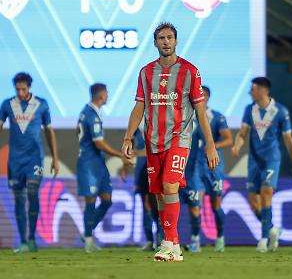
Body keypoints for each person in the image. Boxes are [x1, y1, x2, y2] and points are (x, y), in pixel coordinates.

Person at [122, 22, 219, 262]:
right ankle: (174, 245)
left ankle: (166, 242)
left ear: (176, 41)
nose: (166, 41)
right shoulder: (145, 72)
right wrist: (127, 136)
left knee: (169, 186)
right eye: (161, 38)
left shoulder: (190, 71)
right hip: (153, 140)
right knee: (159, 195)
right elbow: (140, 106)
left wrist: (210, 143)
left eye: (170, 37)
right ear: (155, 43)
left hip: (179, 138)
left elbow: (200, 109)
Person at [0, 72, 60, 253]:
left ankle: (32, 237)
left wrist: (55, 158)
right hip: (15, 160)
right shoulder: (7, 105)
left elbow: (50, 132)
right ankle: (23, 242)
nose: (20, 92)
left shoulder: (41, 104)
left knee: (33, 193)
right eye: (17, 89)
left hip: (35, 158)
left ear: (29, 87)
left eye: (23, 89)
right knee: (19, 199)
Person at [232, 77, 292, 253]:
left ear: (263, 90)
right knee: (254, 204)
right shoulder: (249, 110)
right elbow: (242, 133)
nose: (250, 92)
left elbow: (288, 140)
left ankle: (263, 239)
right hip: (254, 161)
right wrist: (237, 144)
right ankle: (272, 229)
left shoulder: (280, 111)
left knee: (266, 193)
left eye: (253, 89)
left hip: (272, 159)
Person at [76, 83, 129, 253]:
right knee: (90, 200)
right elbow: (98, 143)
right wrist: (119, 154)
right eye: (107, 93)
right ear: (101, 95)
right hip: (88, 163)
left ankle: (87, 232)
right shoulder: (90, 115)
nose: (108, 96)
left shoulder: (90, 113)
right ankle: (89, 240)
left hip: (98, 163)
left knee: (106, 200)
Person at [188, 86, 233, 253]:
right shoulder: (187, 116)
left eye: (202, 96)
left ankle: (220, 238)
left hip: (213, 167)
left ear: (207, 97)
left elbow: (229, 140)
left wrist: (212, 146)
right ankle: (195, 240)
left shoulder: (217, 117)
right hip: (193, 168)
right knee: (194, 204)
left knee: (216, 204)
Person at [133, 123, 163, 251]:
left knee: (158, 204)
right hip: (141, 173)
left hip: (155, 170)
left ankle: (161, 239)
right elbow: (132, 148)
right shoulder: (134, 128)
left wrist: (137, 153)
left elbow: (157, 148)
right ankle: (150, 241)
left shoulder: (155, 123)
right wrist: (125, 166)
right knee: (146, 206)